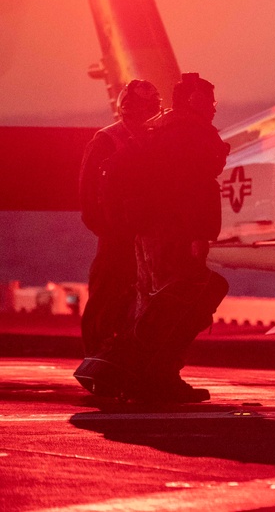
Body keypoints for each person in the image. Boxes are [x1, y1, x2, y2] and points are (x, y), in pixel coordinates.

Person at [75, 73, 231, 403]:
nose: (214, 108)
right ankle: (119, 373)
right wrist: (117, 231)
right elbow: (186, 190)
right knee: (131, 305)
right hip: (133, 238)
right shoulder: (162, 136)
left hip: (140, 234)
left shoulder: (155, 136)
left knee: (149, 306)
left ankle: (131, 374)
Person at [78, 80, 161, 359]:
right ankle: (97, 353)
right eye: (141, 108)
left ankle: (131, 355)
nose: (145, 114)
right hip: (117, 234)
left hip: (148, 233)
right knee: (107, 292)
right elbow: (88, 192)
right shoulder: (107, 140)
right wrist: (109, 229)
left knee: (142, 296)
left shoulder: (157, 139)